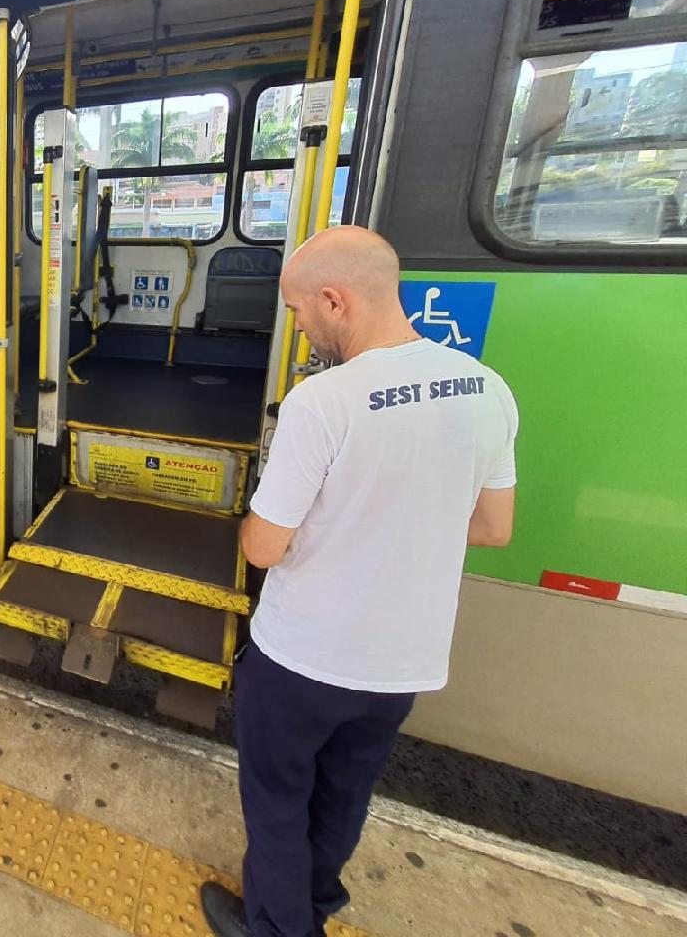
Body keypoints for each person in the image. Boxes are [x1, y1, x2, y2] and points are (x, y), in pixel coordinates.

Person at [200, 225, 518, 937]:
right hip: (403, 664)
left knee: (279, 800)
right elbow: (494, 527)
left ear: (335, 300)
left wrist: (329, 520)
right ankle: (314, 902)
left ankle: (282, 928)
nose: (299, 325)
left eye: (299, 310)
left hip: (305, 658)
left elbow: (262, 547)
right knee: (343, 794)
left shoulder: (324, 402)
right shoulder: (488, 389)